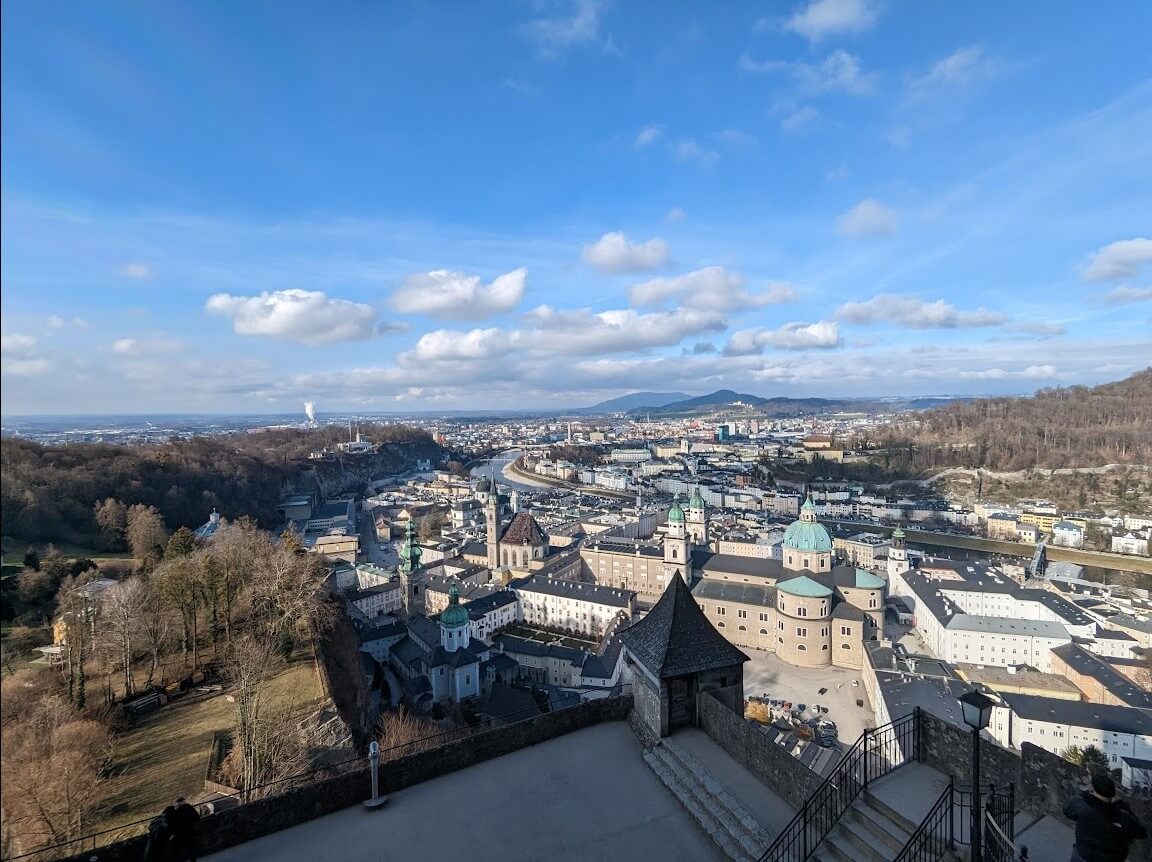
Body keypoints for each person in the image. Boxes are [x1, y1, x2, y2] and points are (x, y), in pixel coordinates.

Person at [1064, 774, 1147, 862]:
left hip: (1083, 855)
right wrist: (1123, 805)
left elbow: (1067, 809)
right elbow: (1141, 833)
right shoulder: (1122, 815)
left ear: (1092, 789)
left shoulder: (1083, 806)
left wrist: (1085, 793)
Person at [168, 798, 201, 862]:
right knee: (191, 849)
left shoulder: (177, 811)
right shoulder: (190, 808)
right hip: (191, 832)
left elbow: (174, 823)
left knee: (179, 849)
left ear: (178, 804)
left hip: (181, 834)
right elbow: (197, 817)